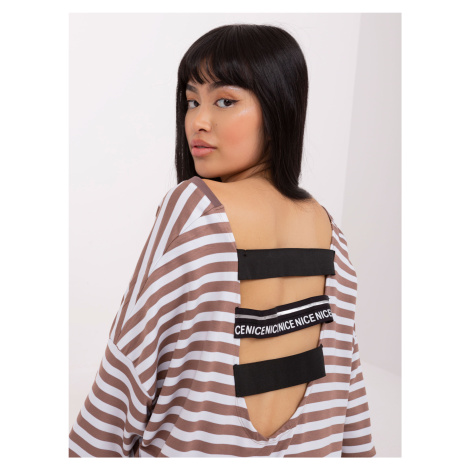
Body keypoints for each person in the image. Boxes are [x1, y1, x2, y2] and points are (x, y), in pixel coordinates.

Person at [69, 23, 377, 457]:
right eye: (192, 101)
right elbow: (350, 397)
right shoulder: (331, 235)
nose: (198, 121)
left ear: (279, 108)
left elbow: (125, 371)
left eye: (225, 101)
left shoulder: (195, 208)